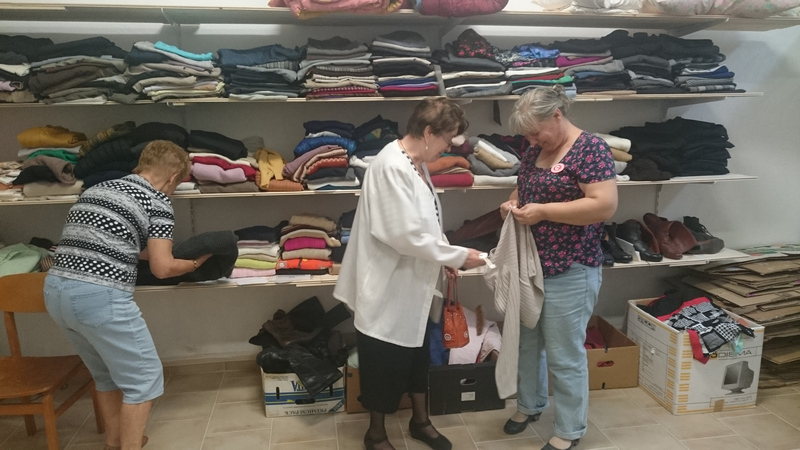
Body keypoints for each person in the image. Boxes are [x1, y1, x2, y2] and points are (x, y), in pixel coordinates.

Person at [334, 98, 486, 450]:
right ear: (428, 132)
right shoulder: (391, 166)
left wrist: (446, 254)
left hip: (412, 283)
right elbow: (403, 235)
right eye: (447, 138)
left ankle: (420, 421)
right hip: (387, 285)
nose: (449, 147)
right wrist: (458, 255)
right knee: (384, 363)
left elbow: (427, 221)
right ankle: (375, 434)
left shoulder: (416, 164)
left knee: (418, 356)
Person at [44, 140, 212, 450]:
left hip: (55, 291)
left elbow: (123, 243)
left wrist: (165, 253)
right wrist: (192, 264)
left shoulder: (97, 190)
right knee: (144, 381)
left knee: (105, 376)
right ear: (173, 177)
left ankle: (114, 442)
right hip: (98, 296)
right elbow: (162, 268)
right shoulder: (157, 201)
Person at [499, 86, 618, 450]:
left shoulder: (591, 149)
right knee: (527, 344)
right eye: (528, 136)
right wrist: (512, 204)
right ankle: (529, 404)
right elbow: (526, 190)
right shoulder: (534, 150)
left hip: (571, 266)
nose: (533, 141)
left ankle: (569, 430)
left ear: (556, 115)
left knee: (565, 355)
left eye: (536, 132)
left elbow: (603, 205)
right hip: (531, 266)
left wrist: (544, 212)